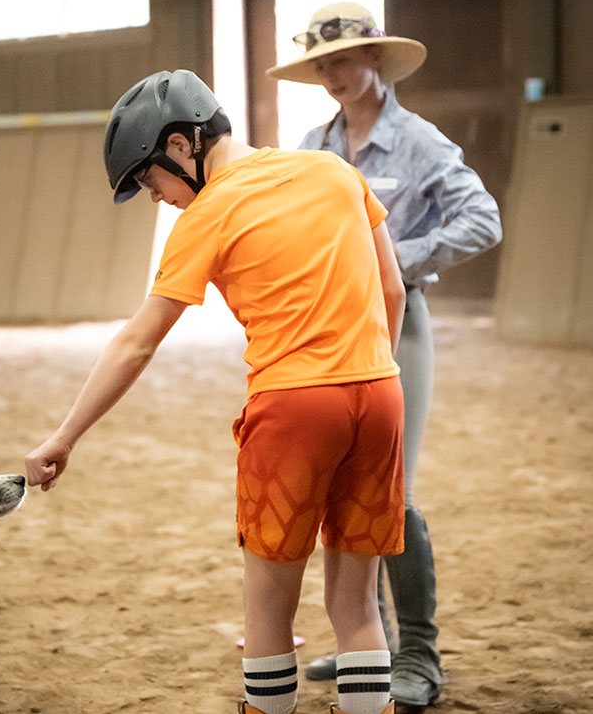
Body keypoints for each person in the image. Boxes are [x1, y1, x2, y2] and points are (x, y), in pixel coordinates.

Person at [25, 68, 408, 714]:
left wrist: (64, 435)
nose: (154, 198)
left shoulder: (205, 216)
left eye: (148, 179)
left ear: (181, 146)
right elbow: (392, 291)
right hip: (380, 394)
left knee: (267, 608)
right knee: (356, 606)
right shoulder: (334, 172)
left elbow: (138, 341)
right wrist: (360, 376)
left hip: (291, 408)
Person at [266, 2, 503, 708]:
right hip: (331, 333)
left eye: (342, 60)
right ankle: (370, 643)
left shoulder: (420, 144)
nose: (332, 75)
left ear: (376, 62)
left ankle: (420, 653)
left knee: (392, 493)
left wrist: (393, 258)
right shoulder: (313, 145)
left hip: (402, 328)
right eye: (322, 65)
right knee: (345, 490)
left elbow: (482, 220)